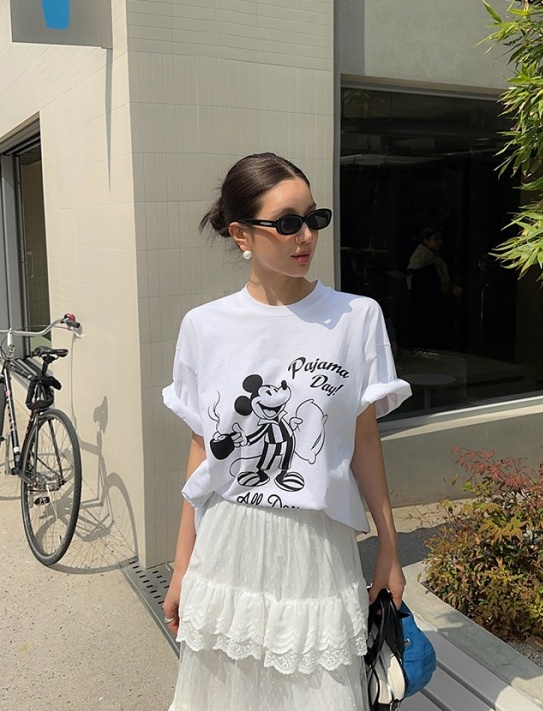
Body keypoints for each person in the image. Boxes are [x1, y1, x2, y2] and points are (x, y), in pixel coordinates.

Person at [162, 152, 411, 710]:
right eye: (287, 222)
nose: (306, 236)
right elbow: (203, 451)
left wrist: (389, 550)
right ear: (241, 235)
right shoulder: (204, 327)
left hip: (316, 550)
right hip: (228, 545)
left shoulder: (356, 318)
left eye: (314, 218)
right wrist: (182, 568)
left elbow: (364, 441)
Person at [407, 226, 462, 349]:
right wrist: (449, 289)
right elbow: (430, 288)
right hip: (428, 310)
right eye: (435, 239)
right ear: (426, 241)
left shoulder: (434, 259)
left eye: (440, 239)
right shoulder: (424, 263)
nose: (439, 242)